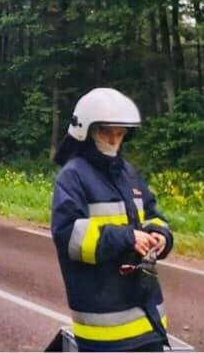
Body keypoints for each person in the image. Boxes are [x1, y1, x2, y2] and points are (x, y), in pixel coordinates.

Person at [51, 88, 174, 352]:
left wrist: (160, 236)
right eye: (107, 132)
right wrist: (127, 237)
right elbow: (68, 236)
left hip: (147, 320)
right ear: (87, 131)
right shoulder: (73, 177)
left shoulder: (128, 173)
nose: (114, 140)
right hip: (104, 329)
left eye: (120, 133)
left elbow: (153, 214)